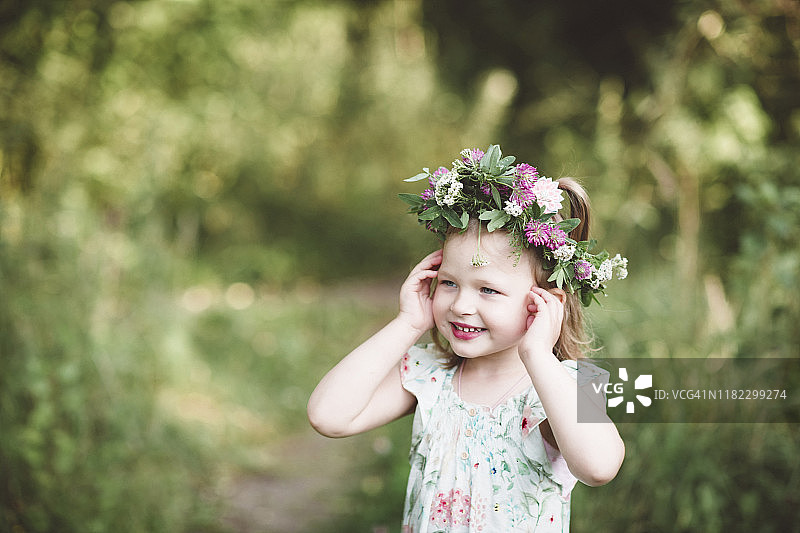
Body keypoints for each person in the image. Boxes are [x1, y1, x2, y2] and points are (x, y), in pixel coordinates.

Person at [308, 145, 627, 531]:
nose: (461, 305)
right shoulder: (432, 375)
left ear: (543, 303)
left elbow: (599, 467)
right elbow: (328, 416)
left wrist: (539, 355)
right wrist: (408, 324)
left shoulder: (559, 386)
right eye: (449, 283)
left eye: (487, 290)